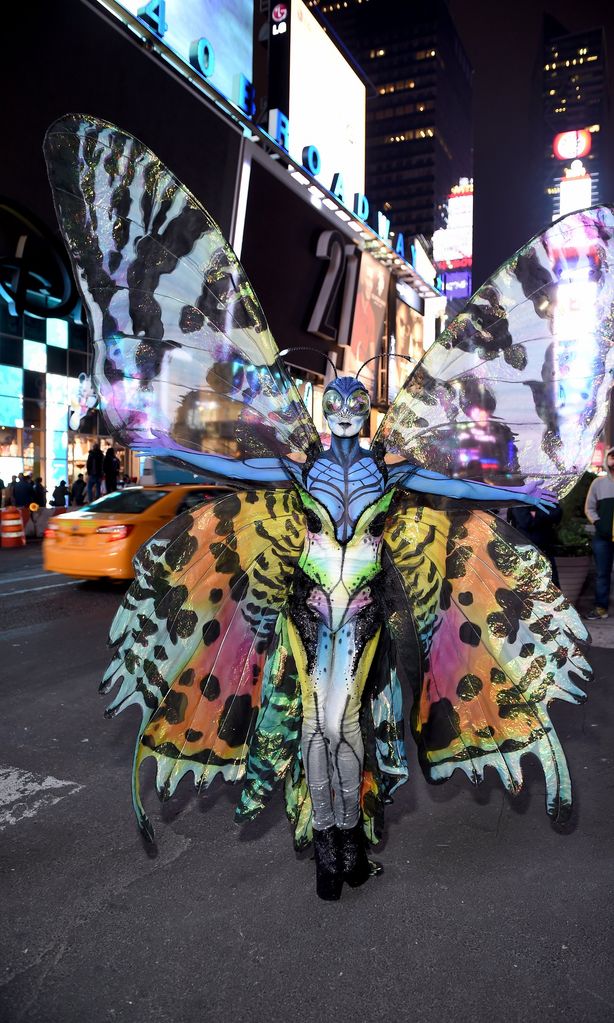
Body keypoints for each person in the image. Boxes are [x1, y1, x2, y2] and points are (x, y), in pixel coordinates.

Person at [46, 113, 608, 904]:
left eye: (352, 403)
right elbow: (219, 461)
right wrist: (161, 447)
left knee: (349, 736)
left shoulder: (391, 466)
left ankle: (345, 841)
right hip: (310, 613)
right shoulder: (294, 462)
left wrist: (521, 488)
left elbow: (456, 488)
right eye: (335, 402)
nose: (343, 411)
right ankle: (330, 848)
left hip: (367, 613)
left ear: (360, 415)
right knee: (314, 729)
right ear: (328, 411)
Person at [584, 446, 614, 619]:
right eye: (612, 456)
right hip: (602, 538)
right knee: (602, 573)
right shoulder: (598, 483)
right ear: (607, 460)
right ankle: (601, 608)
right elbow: (589, 507)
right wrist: (599, 523)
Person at [508, 504, 563, 587]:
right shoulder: (520, 498)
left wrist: (536, 514)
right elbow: (525, 521)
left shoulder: (546, 494)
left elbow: (557, 514)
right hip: (525, 550)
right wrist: (545, 516)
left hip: (545, 549)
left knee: (550, 584)